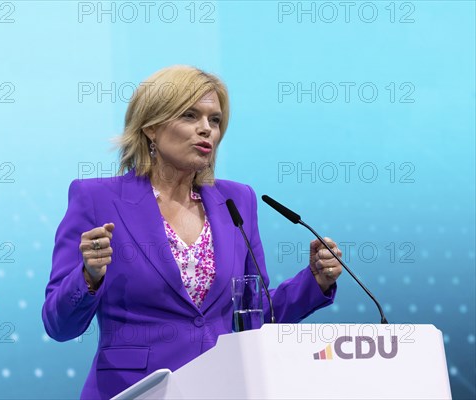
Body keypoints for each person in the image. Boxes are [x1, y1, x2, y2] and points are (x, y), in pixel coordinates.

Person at [42, 65, 343, 399]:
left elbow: (255, 315)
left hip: (223, 388)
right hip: (134, 391)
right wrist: (89, 277)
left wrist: (315, 280)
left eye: (215, 120)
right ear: (152, 127)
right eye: (190, 115)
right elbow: (59, 325)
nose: (207, 130)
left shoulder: (237, 200)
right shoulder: (97, 199)